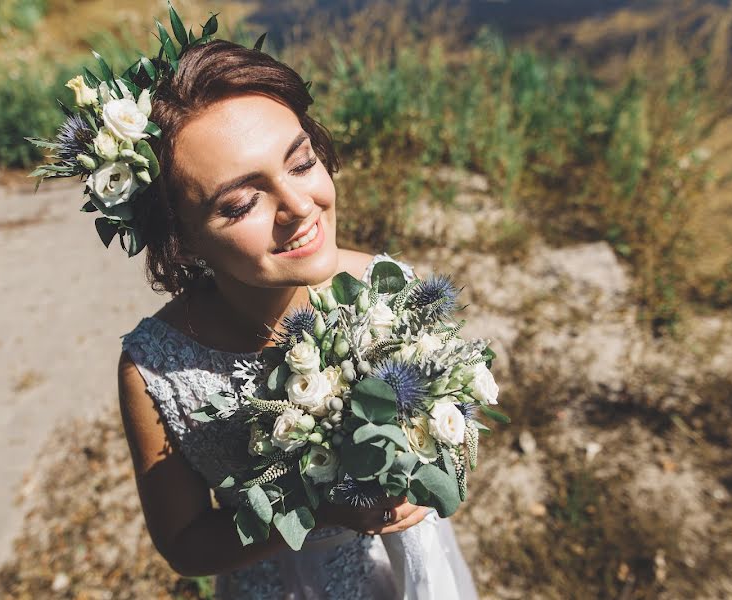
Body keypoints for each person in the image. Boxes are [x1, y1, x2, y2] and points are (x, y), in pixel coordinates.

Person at [116, 38, 478, 598]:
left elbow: (447, 427)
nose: (301, 206)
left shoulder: (392, 288)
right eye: (240, 204)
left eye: (301, 162)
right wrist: (319, 509)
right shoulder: (155, 371)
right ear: (181, 240)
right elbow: (184, 545)